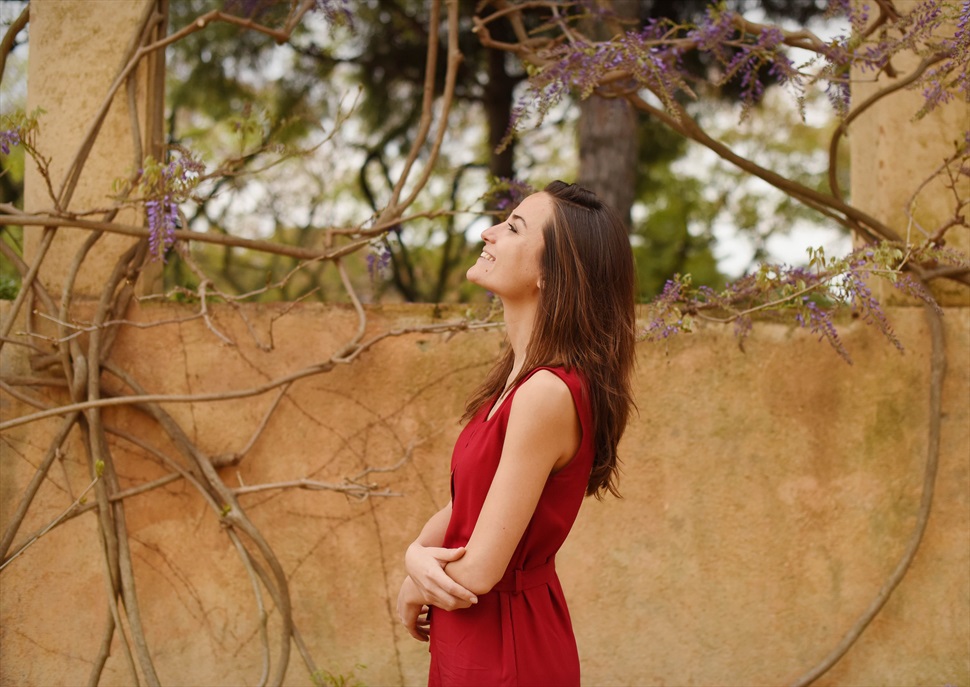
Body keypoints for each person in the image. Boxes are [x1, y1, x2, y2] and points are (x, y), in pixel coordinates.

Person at [396, 180, 636, 686]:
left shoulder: (545, 393)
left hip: (507, 646)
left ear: (551, 273)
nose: (488, 232)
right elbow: (473, 501)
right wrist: (415, 554)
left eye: (512, 227)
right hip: (473, 633)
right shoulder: (520, 380)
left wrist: (416, 581)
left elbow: (481, 571)